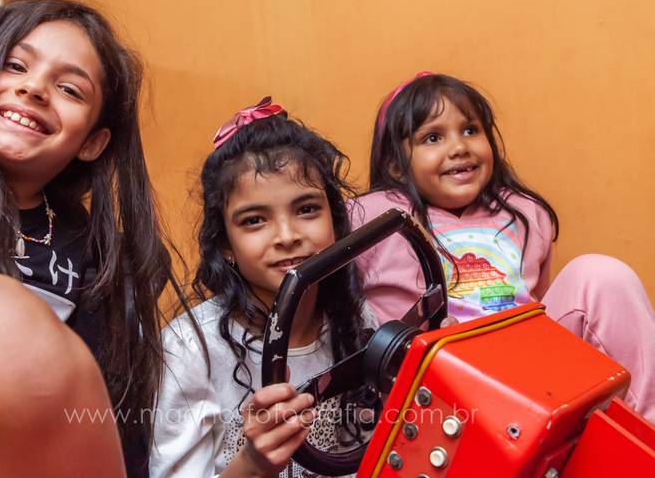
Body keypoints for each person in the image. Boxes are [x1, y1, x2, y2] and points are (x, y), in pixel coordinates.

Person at [0, 0, 176, 476]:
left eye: (70, 89)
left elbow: (101, 427)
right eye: (15, 65)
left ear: (92, 142)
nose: (33, 88)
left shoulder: (103, 258)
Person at [351, 72, 655, 423]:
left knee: (600, 274)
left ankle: (646, 431)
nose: (459, 147)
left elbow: (541, 303)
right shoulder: (375, 217)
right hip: (441, 393)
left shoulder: (522, 212)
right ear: (394, 165)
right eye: (433, 137)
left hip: (531, 375)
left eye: (470, 130)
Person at [150, 98, 377, 478]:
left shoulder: (355, 321)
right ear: (225, 245)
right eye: (255, 220)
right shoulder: (190, 349)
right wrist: (253, 464)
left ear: (335, 223)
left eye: (306, 209)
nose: (287, 236)